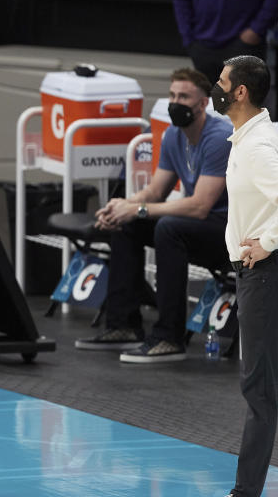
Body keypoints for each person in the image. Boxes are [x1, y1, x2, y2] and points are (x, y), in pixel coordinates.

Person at [75, 68, 233, 363]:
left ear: (202, 104)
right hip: (201, 222)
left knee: (169, 228)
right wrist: (122, 206)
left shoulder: (219, 138)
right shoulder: (174, 135)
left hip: (230, 229)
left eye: (184, 97)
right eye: (172, 95)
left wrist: (138, 209)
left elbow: (200, 206)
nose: (176, 102)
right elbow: (155, 191)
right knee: (128, 224)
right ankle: (123, 325)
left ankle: (168, 337)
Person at [211, 55, 278, 497]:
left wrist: (269, 241)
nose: (215, 87)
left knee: (259, 390)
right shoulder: (249, 137)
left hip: (265, 276)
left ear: (240, 92)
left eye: (222, 82)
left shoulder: (258, 146)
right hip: (269, 274)